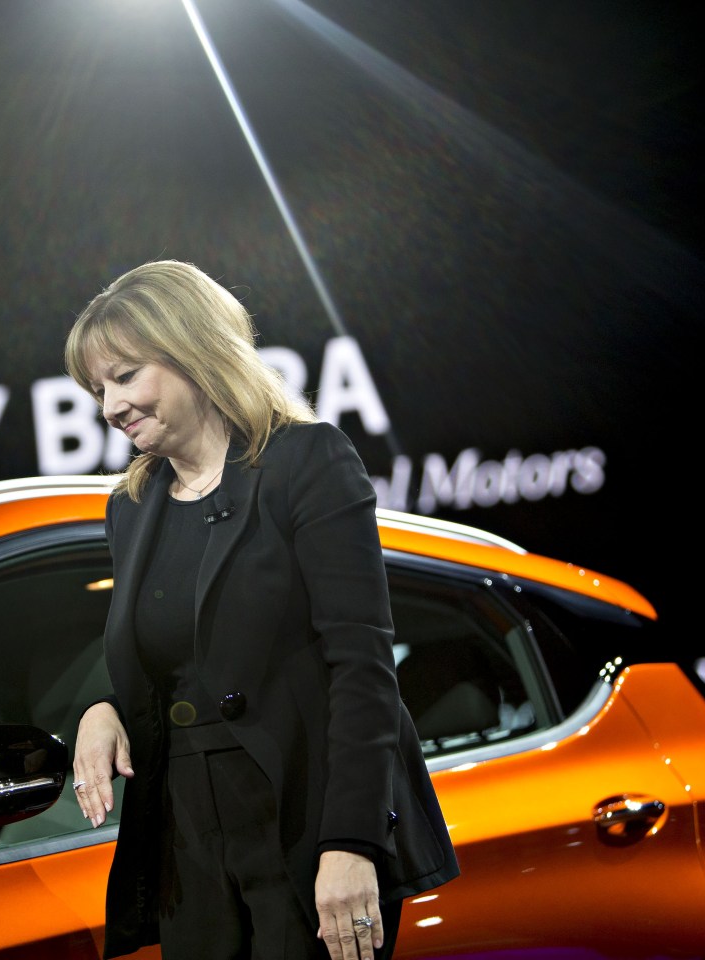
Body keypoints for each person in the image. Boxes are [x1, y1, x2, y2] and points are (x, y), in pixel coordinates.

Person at [66, 260, 458, 960]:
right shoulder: (131, 506)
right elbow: (169, 649)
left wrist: (351, 843)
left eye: (124, 377)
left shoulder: (307, 462)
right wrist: (102, 707)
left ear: (192, 349)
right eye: (99, 389)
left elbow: (363, 668)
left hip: (305, 817)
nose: (110, 408)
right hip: (188, 839)